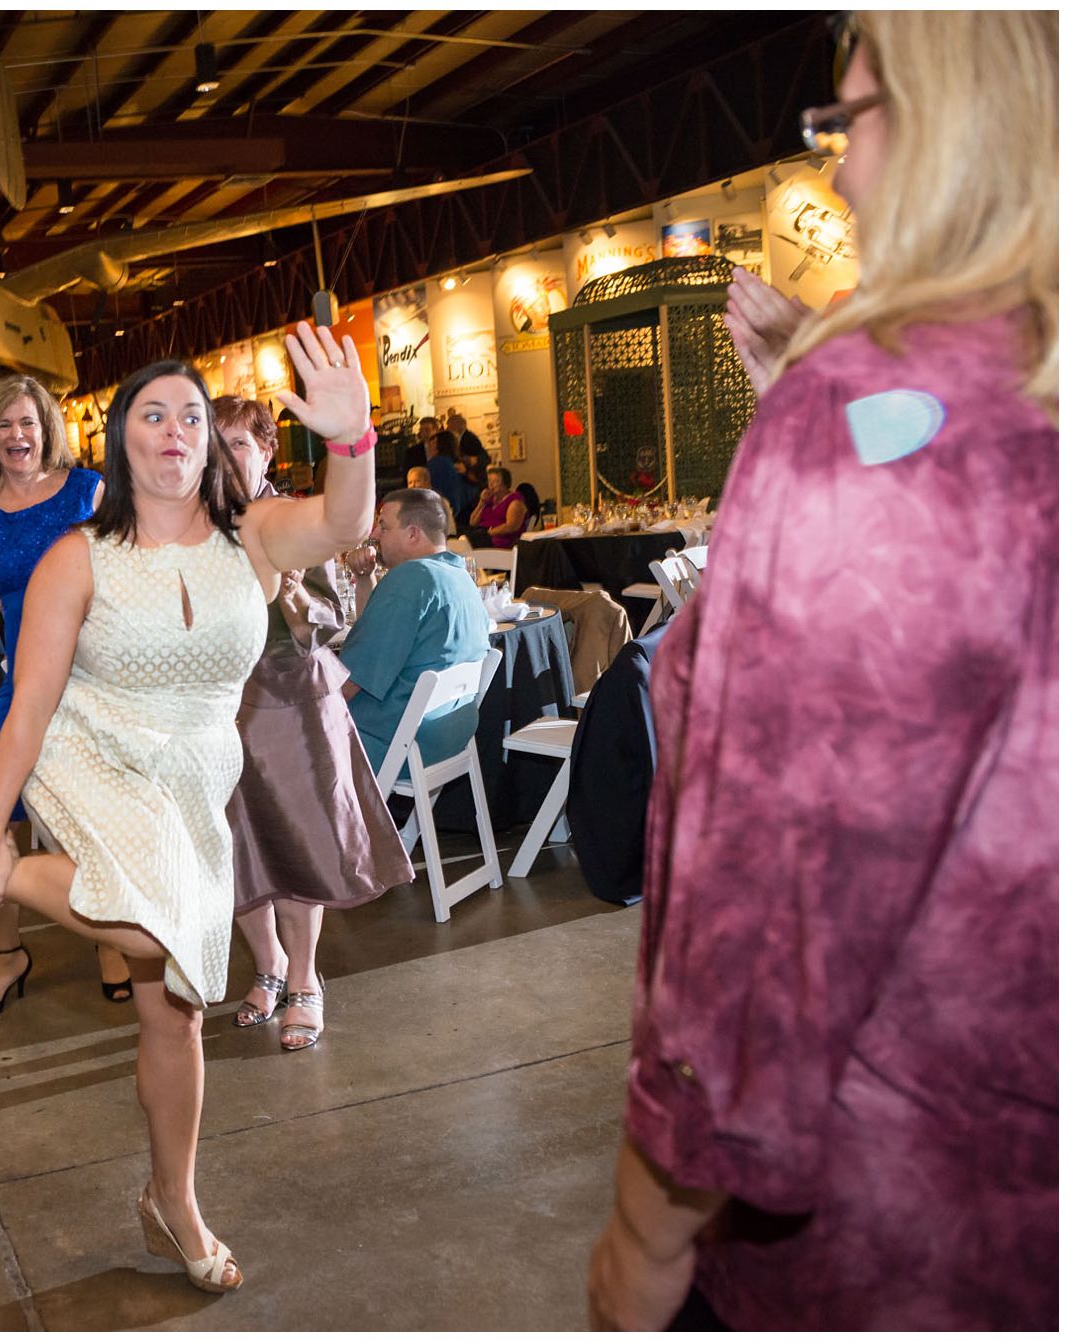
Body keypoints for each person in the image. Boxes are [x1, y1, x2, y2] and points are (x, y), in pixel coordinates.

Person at [587, 12, 1057, 1331]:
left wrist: (646, 1222)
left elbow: (774, 891)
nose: (839, 169)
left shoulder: (875, 409)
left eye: (852, 118)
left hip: (898, 1219)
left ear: (957, 115)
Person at [0, 322, 378, 1293]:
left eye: (189, 415)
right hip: (95, 753)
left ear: (206, 440)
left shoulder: (253, 533)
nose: (171, 429)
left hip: (200, 768)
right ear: (121, 440)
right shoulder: (78, 557)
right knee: (148, 923)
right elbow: (27, 701)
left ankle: (172, 1199)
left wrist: (350, 438)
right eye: (150, 414)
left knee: (176, 1010)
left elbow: (344, 524)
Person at [213, 396, 412, 1053]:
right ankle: (266, 967)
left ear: (268, 451)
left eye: (241, 443)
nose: (229, 455)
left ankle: (304, 979)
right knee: (238, 852)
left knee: (299, 846)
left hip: (295, 706)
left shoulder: (299, 519)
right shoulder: (201, 526)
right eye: (219, 443)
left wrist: (295, 592)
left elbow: (335, 623)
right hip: (222, 713)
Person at [0, 374, 126, 1020]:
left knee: (98, 817)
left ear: (47, 430)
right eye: (5, 425)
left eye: (28, 423)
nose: (17, 435)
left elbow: (125, 573)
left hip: (94, 679)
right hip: (23, 684)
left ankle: (109, 938)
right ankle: (7, 953)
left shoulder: (87, 490)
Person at [338, 489, 491, 773]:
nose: (374, 534)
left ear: (412, 534)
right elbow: (381, 634)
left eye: (384, 526)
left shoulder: (410, 580)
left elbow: (348, 683)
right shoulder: (461, 577)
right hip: (449, 735)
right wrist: (365, 578)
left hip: (393, 743)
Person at [467, 466, 529, 548]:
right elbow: (472, 522)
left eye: (495, 481)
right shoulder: (490, 499)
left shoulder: (515, 501)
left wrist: (487, 534)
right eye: (489, 481)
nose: (491, 485)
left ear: (505, 483)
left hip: (503, 541)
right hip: (482, 537)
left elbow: (511, 526)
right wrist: (482, 502)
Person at [422, 430, 471, 526]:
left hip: (440, 512)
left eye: (432, 445)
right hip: (460, 514)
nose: (429, 448)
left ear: (439, 446)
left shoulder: (436, 464)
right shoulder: (457, 464)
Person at [405, 465, 458, 535]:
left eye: (417, 481)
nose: (413, 486)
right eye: (410, 483)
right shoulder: (406, 506)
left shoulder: (440, 502)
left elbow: (448, 531)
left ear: (427, 483)